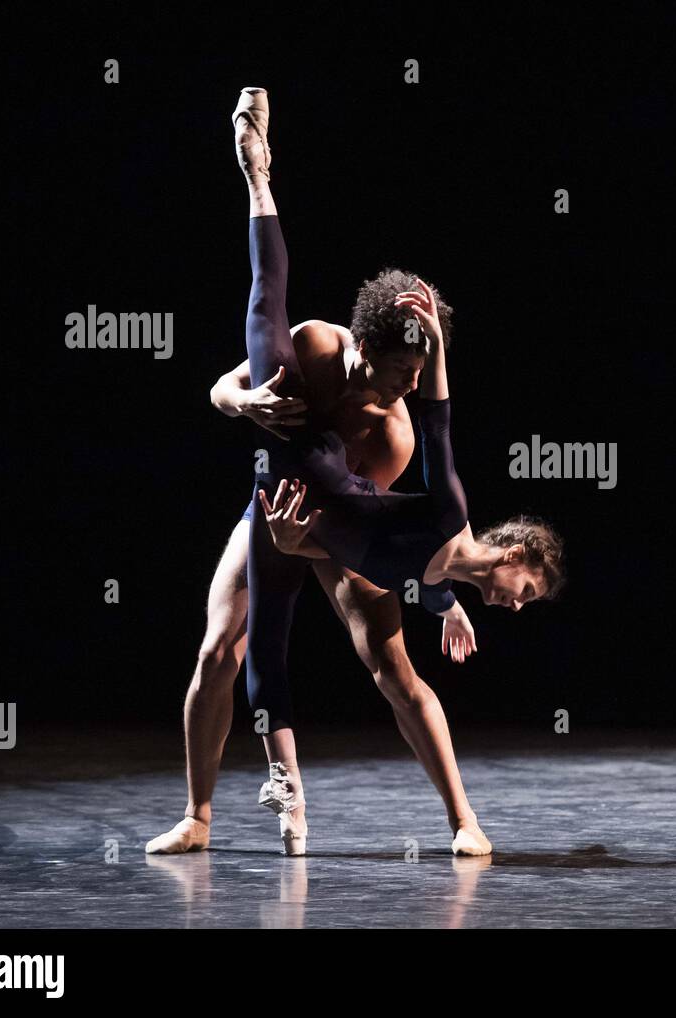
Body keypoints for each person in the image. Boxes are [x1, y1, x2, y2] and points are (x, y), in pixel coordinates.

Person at [233, 86, 565, 848]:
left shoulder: (438, 583)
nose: (519, 606)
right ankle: (257, 175)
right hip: (306, 457)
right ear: (516, 553)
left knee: (278, 643)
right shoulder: (447, 510)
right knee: (266, 309)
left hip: (293, 501)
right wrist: (441, 346)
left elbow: (364, 555)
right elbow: (444, 426)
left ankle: (315, 800)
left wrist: (300, 543)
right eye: (527, 590)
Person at [146, 311, 495, 859]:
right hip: (274, 514)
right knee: (216, 652)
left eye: (419, 371)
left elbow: (374, 537)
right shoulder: (313, 344)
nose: (410, 383)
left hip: (341, 536)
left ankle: (464, 821)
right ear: (365, 348)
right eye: (403, 367)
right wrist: (245, 403)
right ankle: (197, 818)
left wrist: (440, 597)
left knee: (395, 670)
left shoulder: (394, 434)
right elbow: (221, 389)